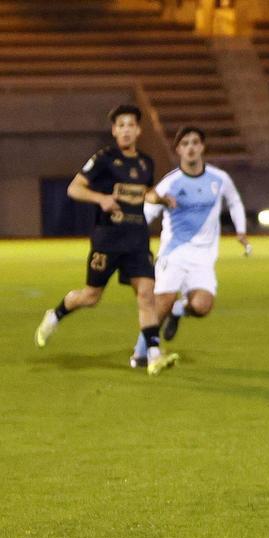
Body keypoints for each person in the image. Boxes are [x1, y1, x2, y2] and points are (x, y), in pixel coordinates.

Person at [35, 104, 179, 375]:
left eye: (130, 125)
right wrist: (100, 198)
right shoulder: (104, 159)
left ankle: (154, 355)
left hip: (137, 239)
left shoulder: (146, 162)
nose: (126, 130)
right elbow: (74, 188)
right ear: (114, 130)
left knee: (146, 294)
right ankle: (55, 315)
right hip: (108, 239)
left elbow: (144, 192)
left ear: (138, 130)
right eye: (120, 125)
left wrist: (160, 198)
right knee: (91, 297)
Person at [136, 125, 249, 367]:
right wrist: (133, 234)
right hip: (174, 253)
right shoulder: (171, 182)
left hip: (203, 258)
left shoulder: (219, 178)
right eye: (185, 143)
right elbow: (148, 210)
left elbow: (234, 201)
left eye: (195, 142)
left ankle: (179, 310)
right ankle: (140, 353)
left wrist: (240, 229)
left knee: (202, 306)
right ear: (178, 149)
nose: (190, 148)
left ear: (202, 147)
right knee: (162, 302)